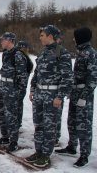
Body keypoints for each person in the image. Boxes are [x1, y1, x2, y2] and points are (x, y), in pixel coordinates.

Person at [25, 25, 73, 167]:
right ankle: (38, 151)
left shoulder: (61, 52)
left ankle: (46, 155)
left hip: (52, 96)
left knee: (49, 127)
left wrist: (60, 96)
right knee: (38, 125)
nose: (40, 38)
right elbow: (36, 73)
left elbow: (67, 78)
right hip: (39, 94)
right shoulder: (43, 52)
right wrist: (33, 89)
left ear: (50, 36)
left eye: (42, 35)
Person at [55, 27, 97, 168]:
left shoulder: (91, 54)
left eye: (75, 37)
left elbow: (92, 79)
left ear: (81, 37)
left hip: (84, 96)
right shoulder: (80, 52)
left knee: (84, 126)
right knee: (72, 121)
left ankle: (84, 155)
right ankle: (72, 146)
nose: (73, 39)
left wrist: (84, 97)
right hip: (75, 93)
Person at [0, 32, 28, 152]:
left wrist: (20, 93)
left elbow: (23, 76)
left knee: (11, 115)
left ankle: (14, 141)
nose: (1, 42)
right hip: (2, 85)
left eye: (3, 39)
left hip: (12, 88)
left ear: (10, 40)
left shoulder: (18, 55)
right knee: (1, 113)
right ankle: (5, 137)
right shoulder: (5, 53)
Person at [16, 40, 33, 129]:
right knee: (19, 105)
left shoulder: (22, 57)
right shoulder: (27, 58)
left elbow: (21, 75)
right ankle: (18, 123)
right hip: (23, 86)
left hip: (20, 86)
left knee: (17, 105)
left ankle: (17, 123)